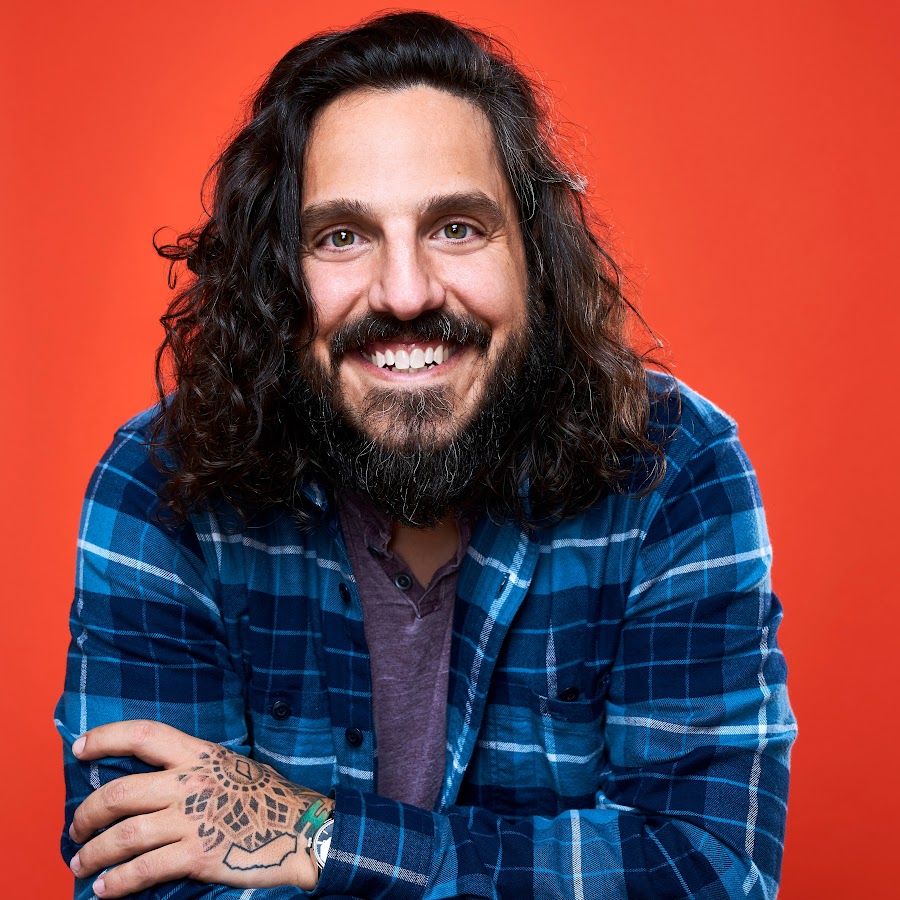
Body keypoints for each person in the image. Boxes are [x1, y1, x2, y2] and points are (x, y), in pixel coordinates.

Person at [56, 11, 796, 899]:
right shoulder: (159, 489)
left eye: (456, 227)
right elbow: (146, 880)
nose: (405, 292)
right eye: (342, 236)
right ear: (275, 275)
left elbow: (710, 870)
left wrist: (321, 835)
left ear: (535, 258)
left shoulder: (674, 470)